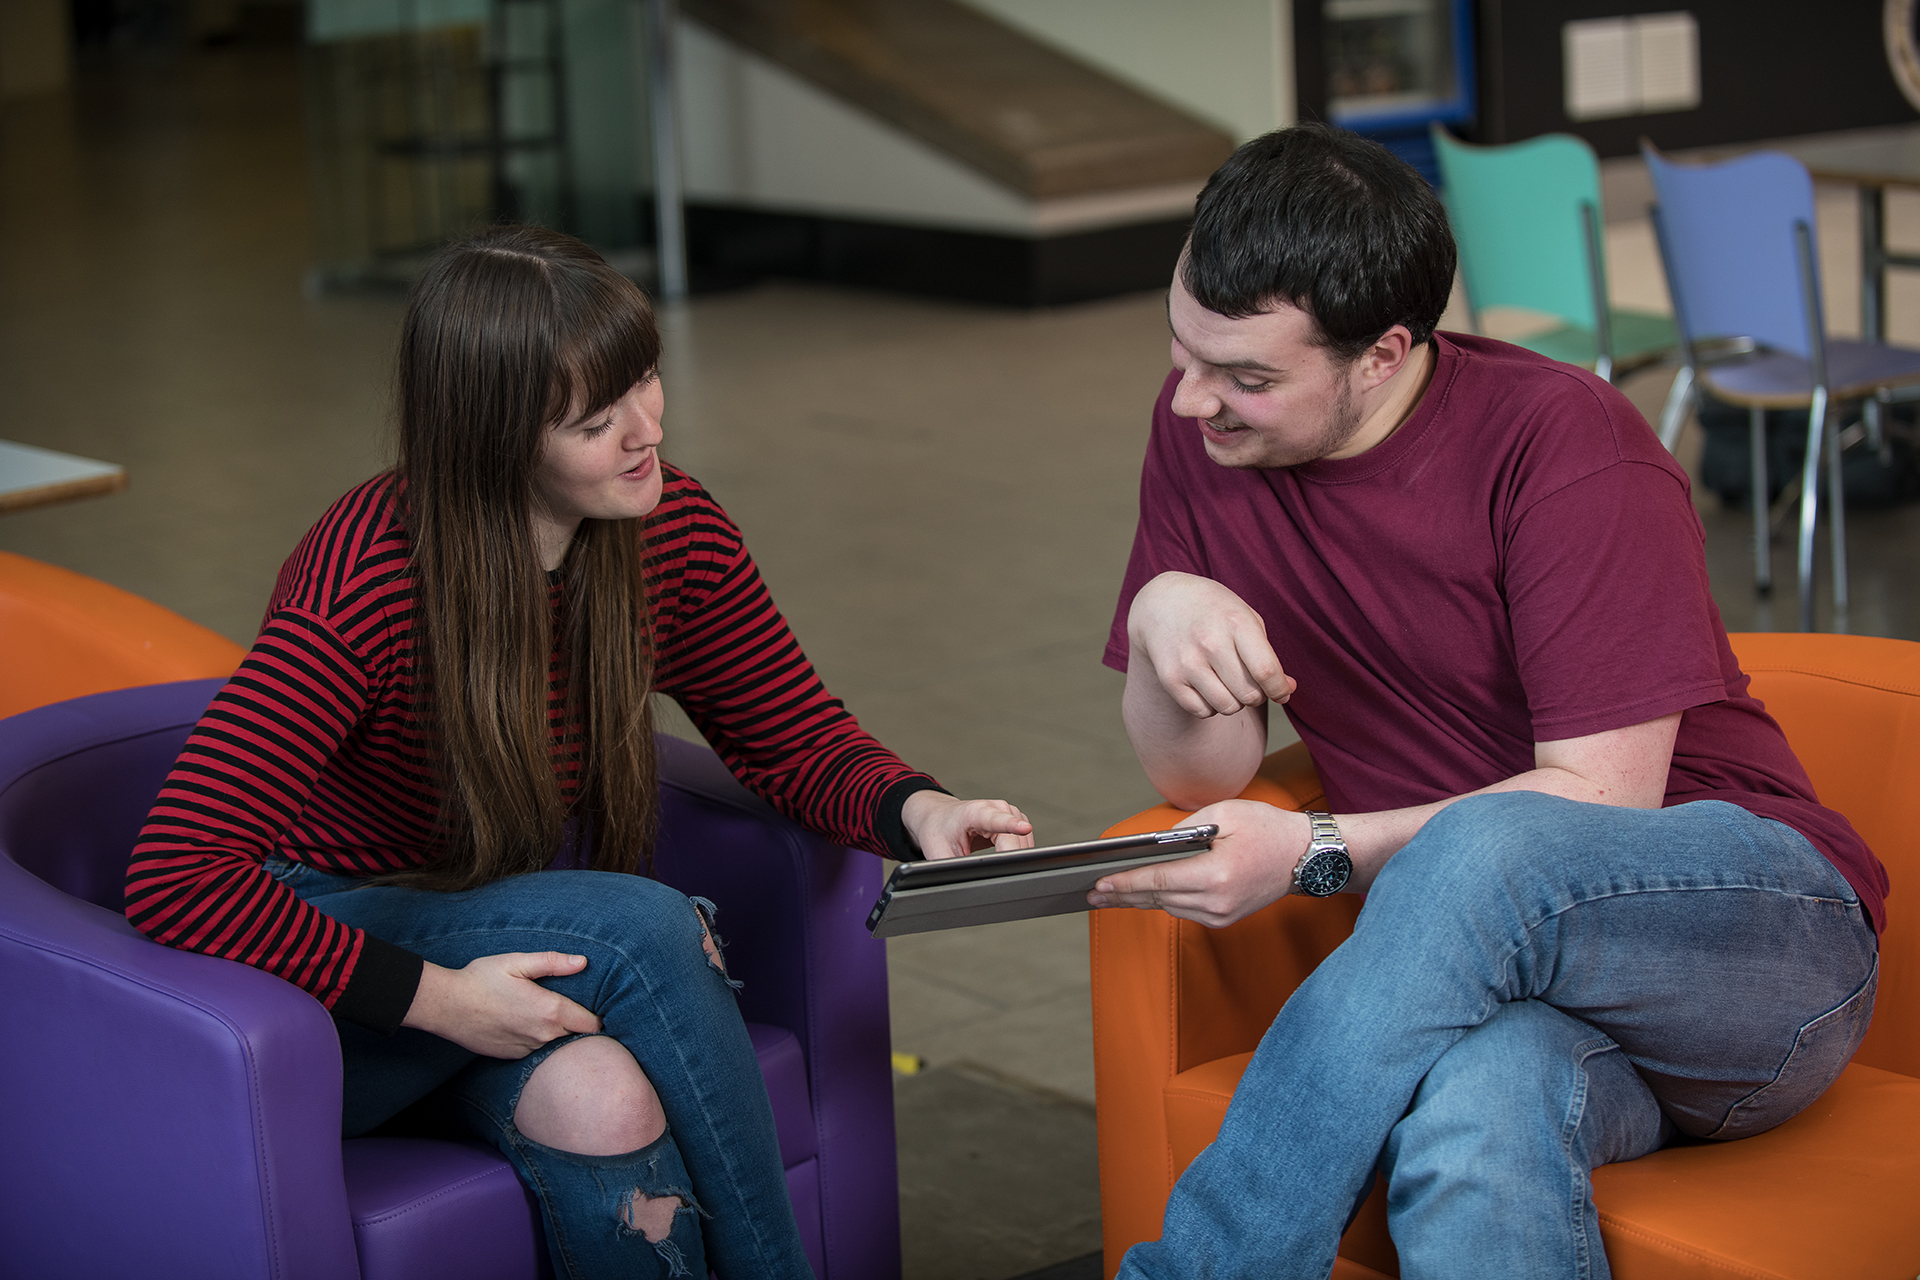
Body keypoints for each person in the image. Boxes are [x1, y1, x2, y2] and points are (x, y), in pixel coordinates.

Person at [125, 225, 1033, 1280]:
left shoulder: (667, 528)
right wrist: (441, 997)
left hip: (498, 951)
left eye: (645, 378)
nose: (647, 428)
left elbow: (790, 731)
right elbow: (177, 872)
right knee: (647, 924)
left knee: (601, 1098)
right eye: (596, 418)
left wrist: (919, 809)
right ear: (494, 438)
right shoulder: (369, 573)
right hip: (339, 986)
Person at [1088, 125, 1885, 1279]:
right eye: (1185, 352)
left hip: (1758, 946)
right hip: (1513, 989)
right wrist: (1167, 610)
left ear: (1384, 353)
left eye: (1251, 376)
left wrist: (1310, 850)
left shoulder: (1564, 443)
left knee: (1490, 844)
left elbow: (1595, 804)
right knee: (1473, 1120)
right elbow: (1201, 779)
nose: (1195, 400)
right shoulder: (1210, 439)